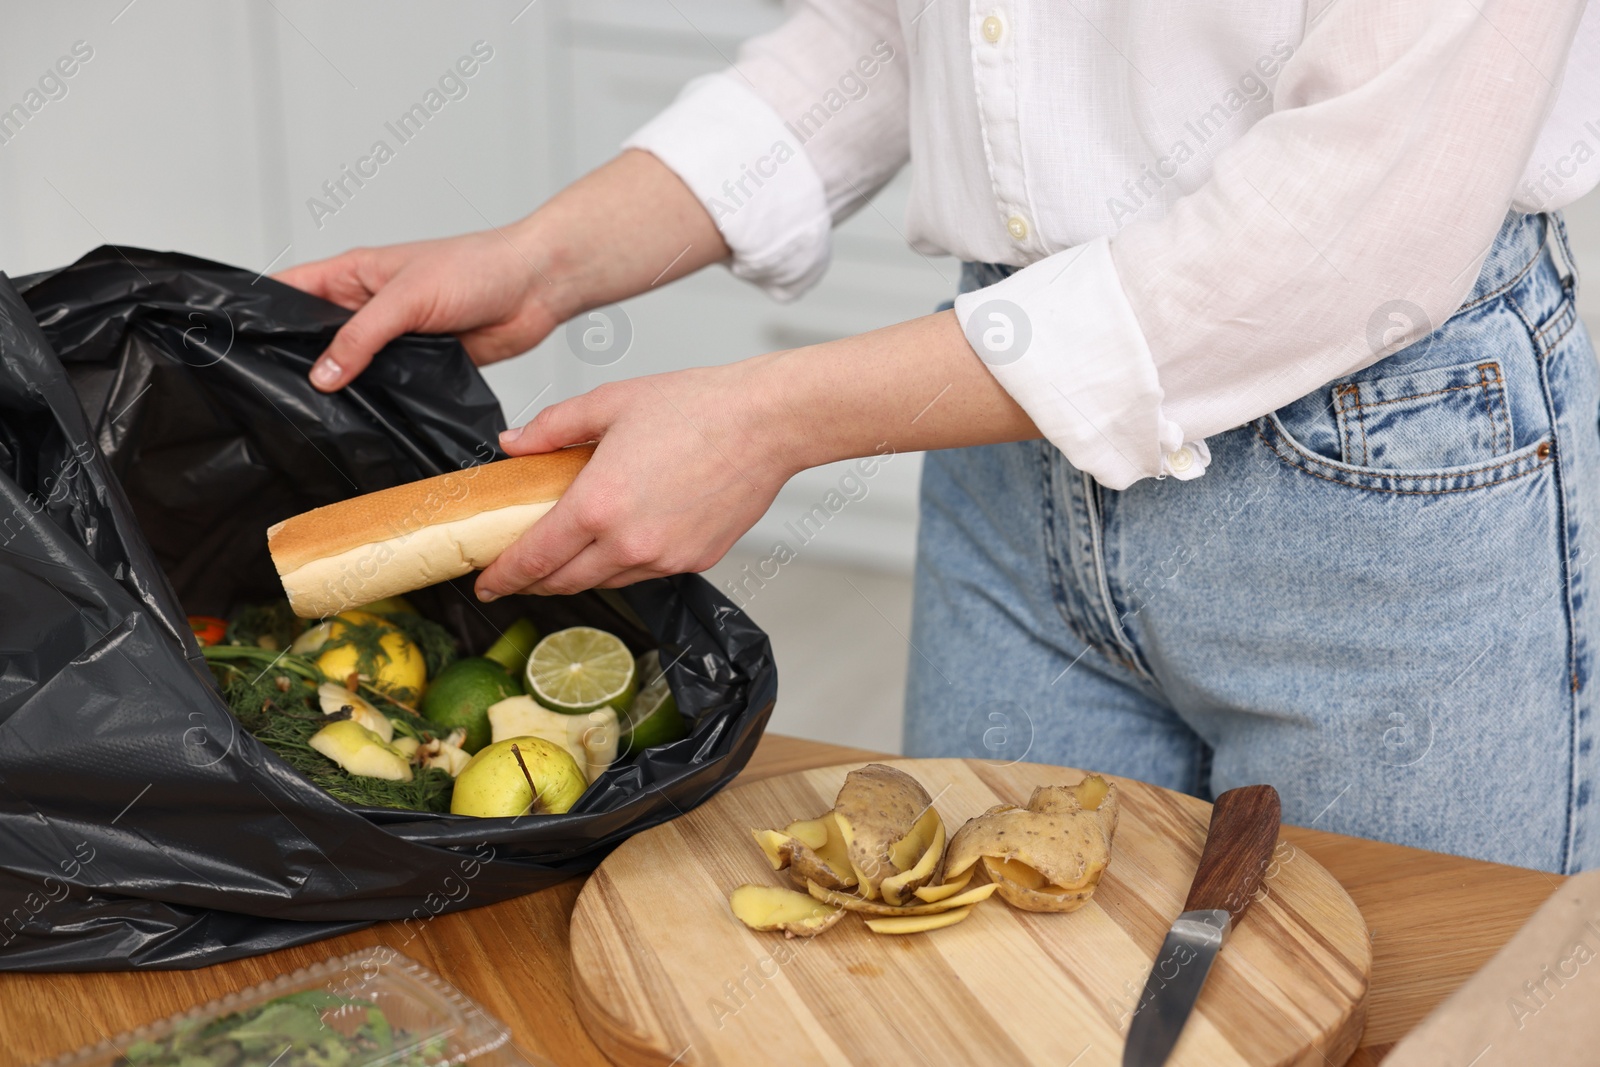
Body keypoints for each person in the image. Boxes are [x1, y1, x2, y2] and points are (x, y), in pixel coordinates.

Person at [280, 0, 1600, 873]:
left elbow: (1345, 227)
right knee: (987, 985)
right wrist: (548, 257)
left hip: (1377, 468)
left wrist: (770, 419)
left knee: (1398, 1004)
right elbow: (898, 34)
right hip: (1003, 444)